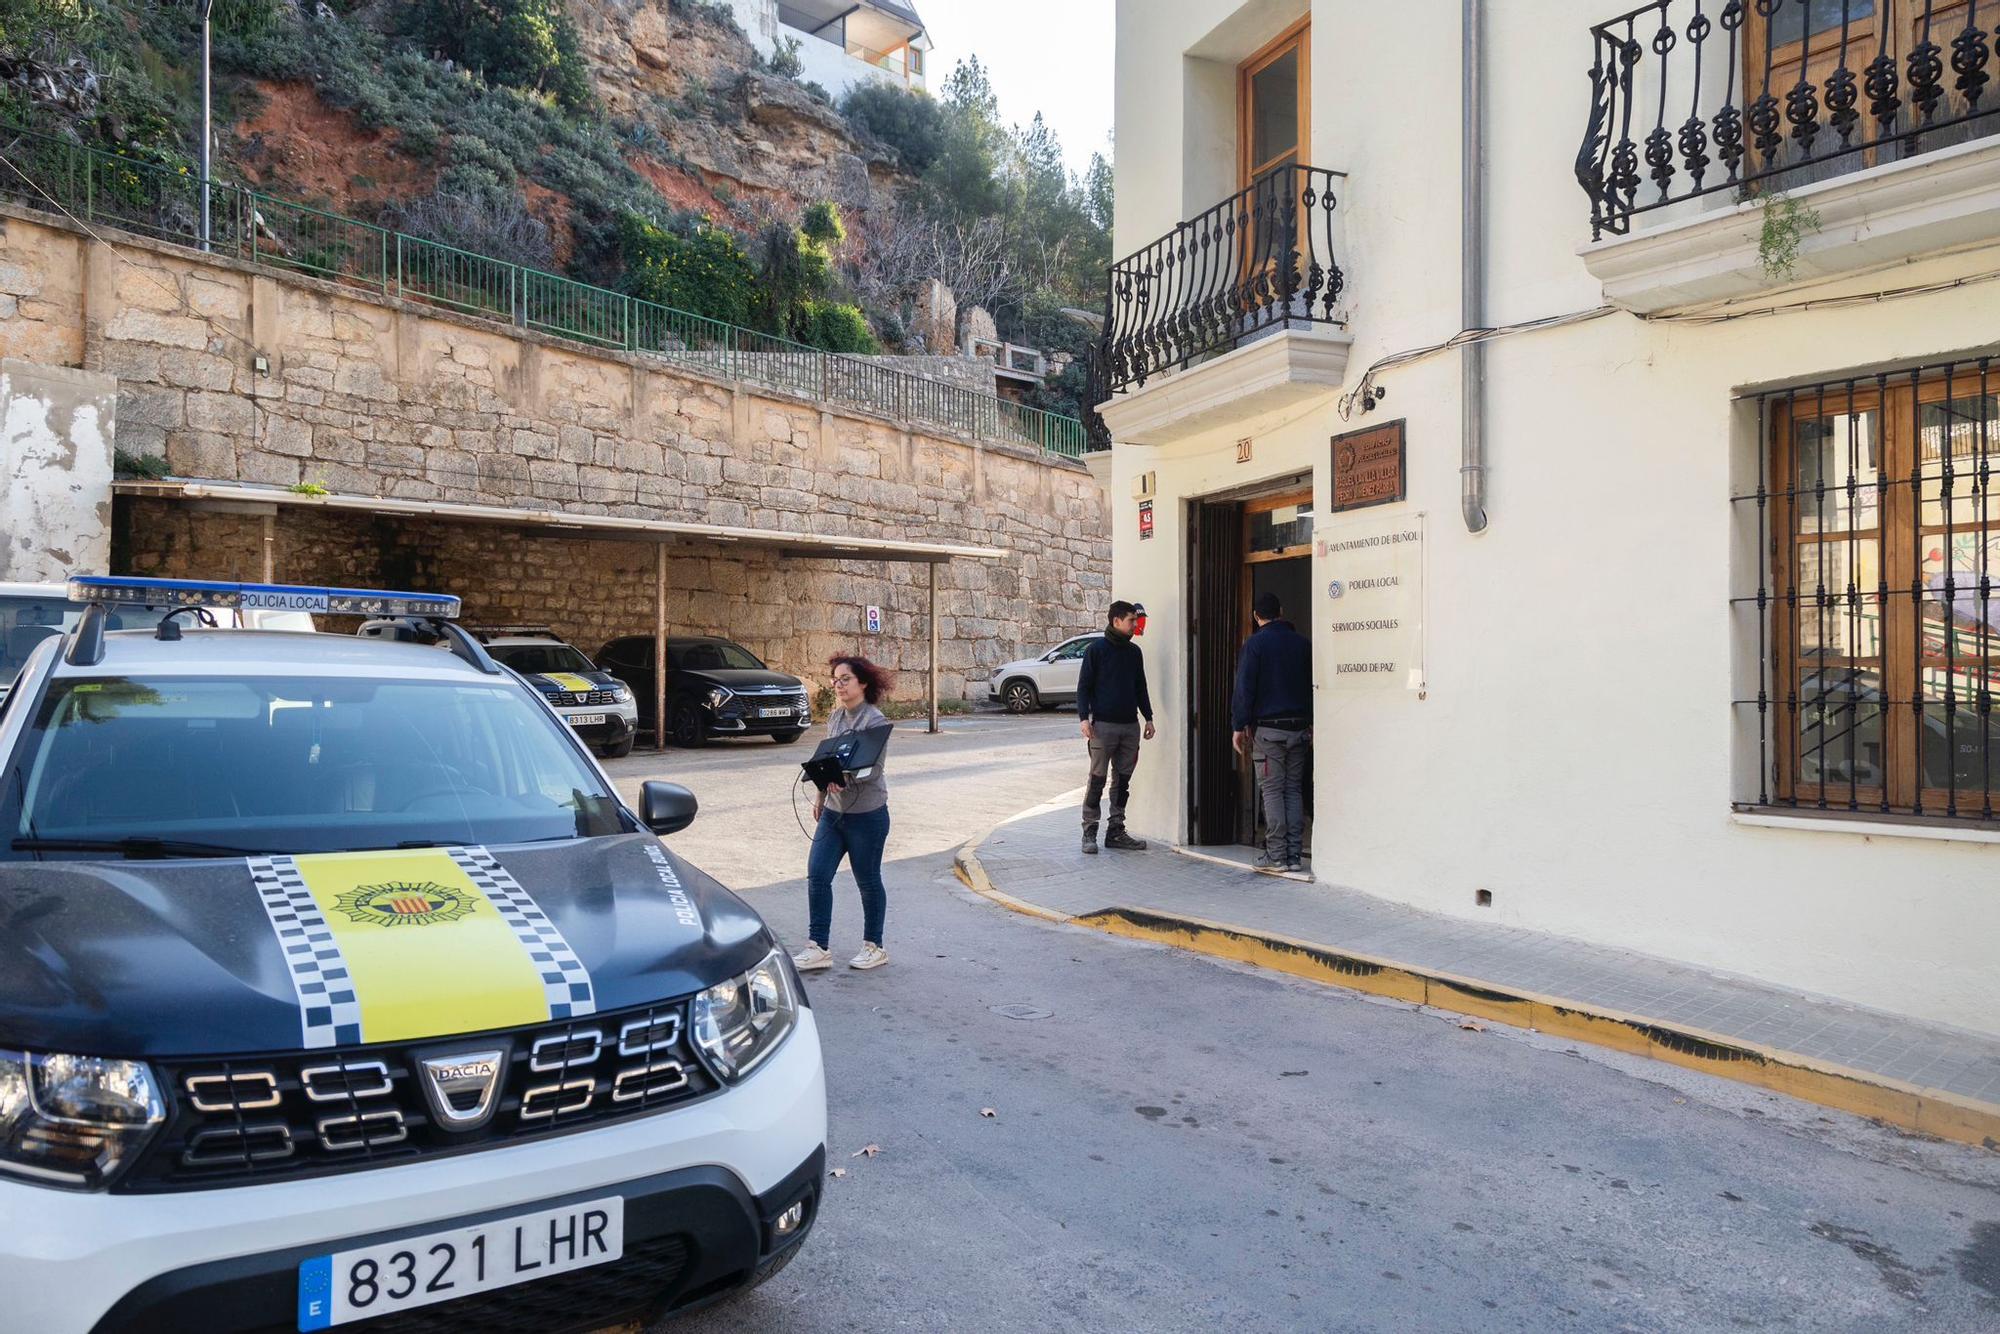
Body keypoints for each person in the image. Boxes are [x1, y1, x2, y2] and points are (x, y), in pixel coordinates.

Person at [793, 655, 894, 972]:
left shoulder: (874, 722)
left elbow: (873, 771)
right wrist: (822, 794)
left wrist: (844, 779)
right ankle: (818, 946)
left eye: (845, 679)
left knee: (867, 880)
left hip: (868, 815)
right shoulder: (836, 718)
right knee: (818, 875)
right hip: (833, 814)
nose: (838, 684)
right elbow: (827, 759)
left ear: (862, 682)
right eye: (834, 679)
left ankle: (874, 946)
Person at [1232, 591, 1313, 873]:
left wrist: (1238, 725)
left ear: (1256, 616)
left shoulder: (1254, 645)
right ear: (1281, 611)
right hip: (1300, 729)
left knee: (1272, 791)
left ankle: (1276, 855)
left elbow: (1245, 689)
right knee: (1293, 790)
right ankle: (1293, 856)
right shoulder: (1303, 644)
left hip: (1269, 732)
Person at [1077, 600, 1155, 854]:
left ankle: (1116, 831)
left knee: (1122, 782)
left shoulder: (1134, 653)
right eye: (1131, 620)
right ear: (1116, 621)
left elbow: (1140, 687)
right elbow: (1083, 687)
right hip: (1103, 727)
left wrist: (1149, 717)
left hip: (1130, 726)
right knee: (1097, 779)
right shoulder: (1096, 650)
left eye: (1136, 620)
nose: (1135, 625)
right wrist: (1083, 719)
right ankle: (1089, 832)